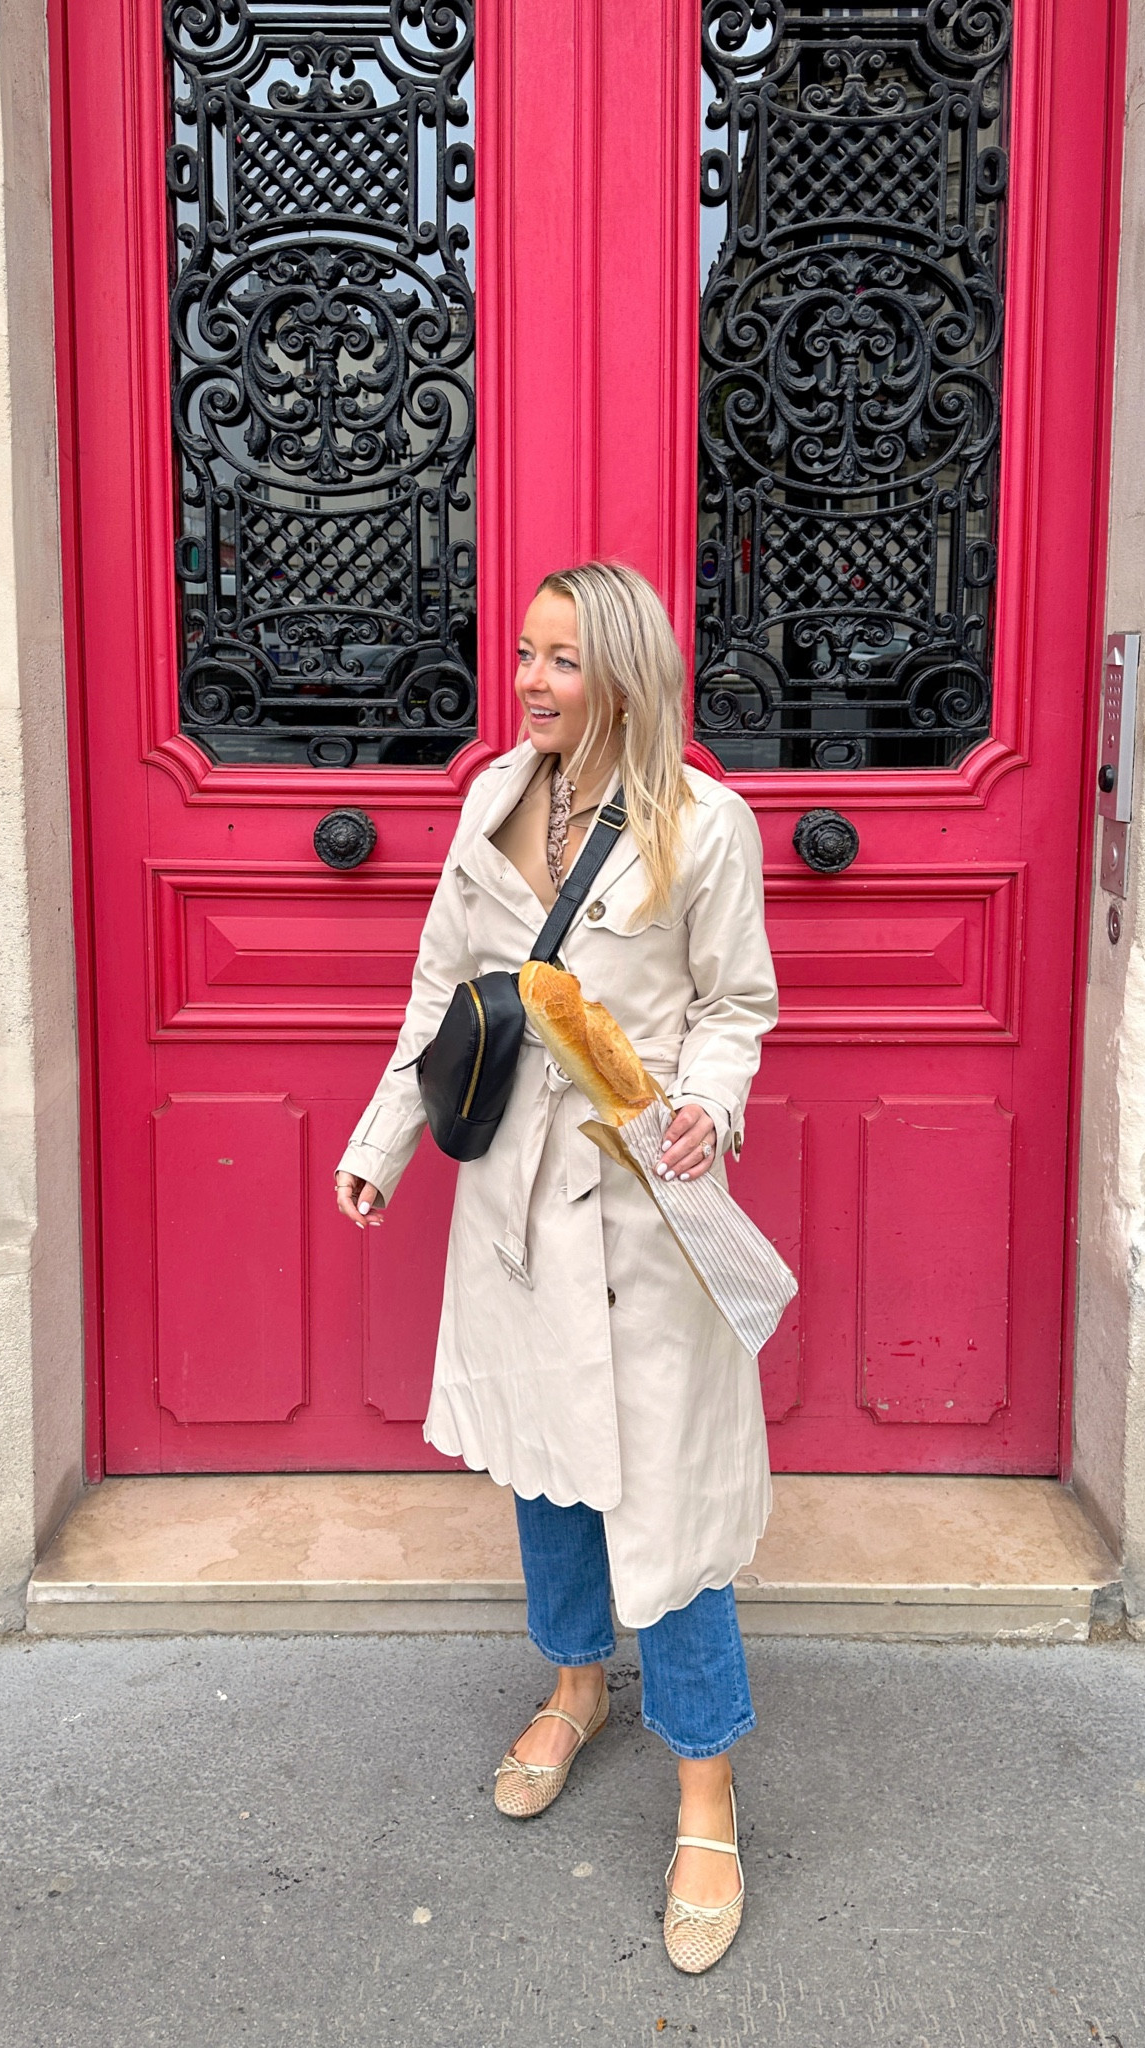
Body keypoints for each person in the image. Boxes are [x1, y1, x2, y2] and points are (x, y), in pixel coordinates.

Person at [334, 561, 778, 1973]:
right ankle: (578, 1684)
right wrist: (384, 1139)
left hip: (646, 1201)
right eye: (525, 654)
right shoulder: (491, 798)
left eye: (563, 660)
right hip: (512, 1202)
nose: (531, 681)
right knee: (546, 1464)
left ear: (628, 674)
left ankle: (705, 1784)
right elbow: (437, 990)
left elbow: (735, 1000)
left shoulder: (705, 824)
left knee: (670, 1498)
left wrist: (711, 1096)